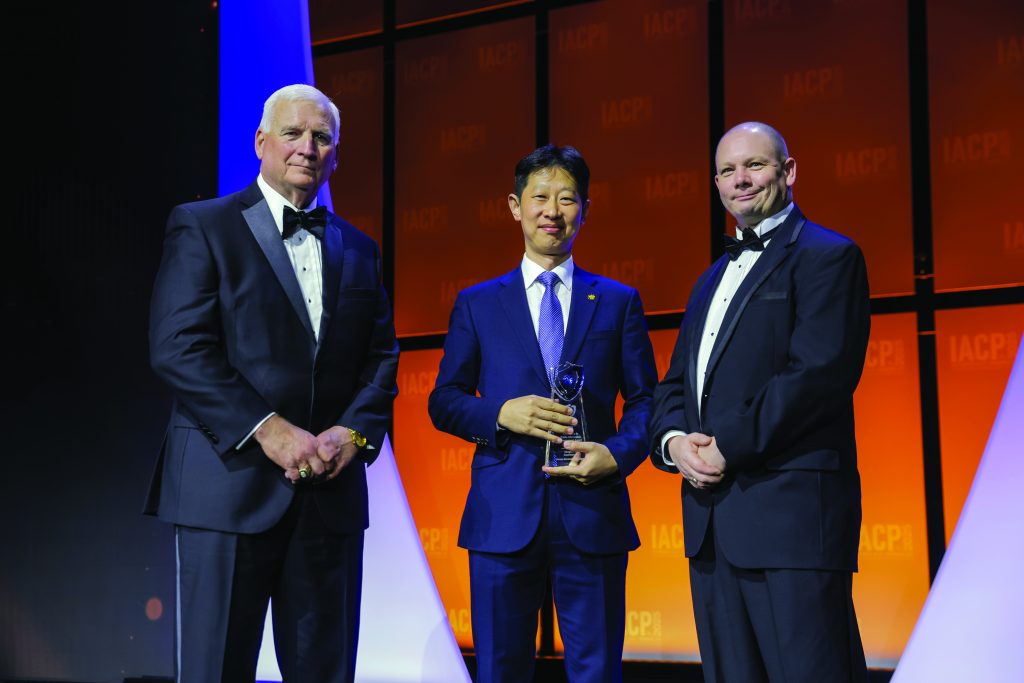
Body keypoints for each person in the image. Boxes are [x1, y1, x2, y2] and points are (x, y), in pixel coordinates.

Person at [145, 83, 399, 682]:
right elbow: (178, 347)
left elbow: (382, 359)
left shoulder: (361, 249)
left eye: (322, 138)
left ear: (335, 154)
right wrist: (268, 429)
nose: (307, 148)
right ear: (261, 142)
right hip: (225, 490)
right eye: (293, 133)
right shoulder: (202, 225)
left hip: (328, 500)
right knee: (215, 670)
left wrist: (353, 436)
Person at [649, 122, 870, 682]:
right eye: (727, 171)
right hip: (712, 526)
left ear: (788, 172)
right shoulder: (709, 279)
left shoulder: (828, 256)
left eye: (755, 165)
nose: (740, 180)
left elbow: (816, 377)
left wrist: (728, 447)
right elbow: (674, 384)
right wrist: (675, 444)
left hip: (791, 520)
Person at [428, 144, 657, 683]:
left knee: (597, 671)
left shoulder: (619, 301)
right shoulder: (479, 303)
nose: (553, 211)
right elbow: (445, 400)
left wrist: (616, 455)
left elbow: (649, 401)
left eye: (567, 199)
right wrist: (500, 414)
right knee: (501, 671)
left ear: (585, 209)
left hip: (592, 513)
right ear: (514, 206)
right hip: (503, 516)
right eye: (540, 198)